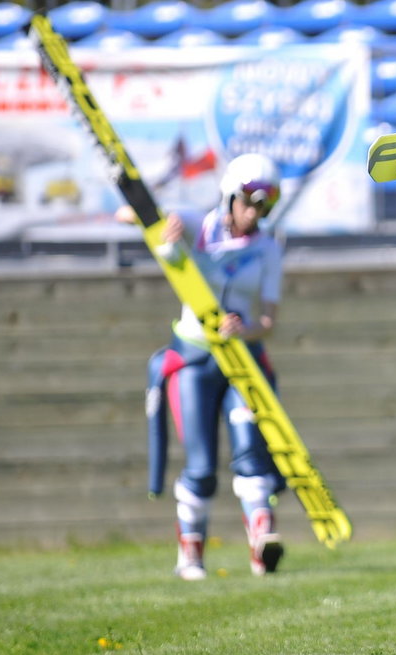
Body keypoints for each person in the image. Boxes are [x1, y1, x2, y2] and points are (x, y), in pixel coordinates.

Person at [125, 153, 288, 581]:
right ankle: (190, 556)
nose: (254, 212)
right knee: (200, 464)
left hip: (241, 360)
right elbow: (139, 217)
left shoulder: (268, 247)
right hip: (195, 359)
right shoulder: (199, 225)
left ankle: (261, 543)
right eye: (249, 201)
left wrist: (246, 328)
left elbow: (268, 321)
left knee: (251, 454)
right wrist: (164, 229)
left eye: (264, 206)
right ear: (231, 194)